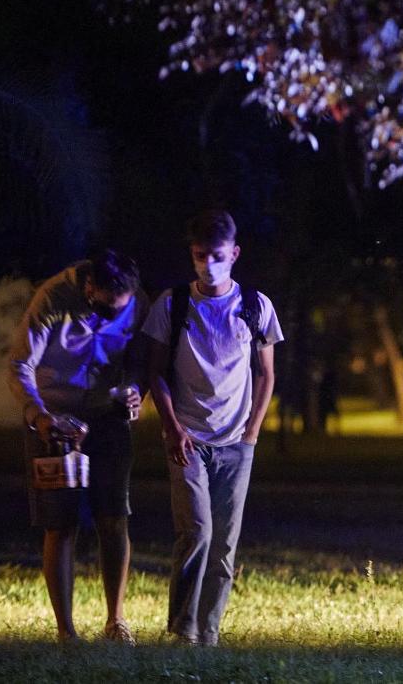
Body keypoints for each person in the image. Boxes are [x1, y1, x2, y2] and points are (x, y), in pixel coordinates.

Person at [143, 210, 284, 646]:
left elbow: (266, 373)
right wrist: (172, 427)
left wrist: (253, 430)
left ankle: (209, 632)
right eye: (201, 255)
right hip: (188, 438)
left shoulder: (255, 306)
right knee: (197, 532)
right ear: (192, 254)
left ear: (235, 254)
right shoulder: (173, 304)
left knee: (224, 543)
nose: (209, 263)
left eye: (217, 255)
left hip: (236, 442)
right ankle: (183, 630)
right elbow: (155, 373)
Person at [7, 249, 148, 644]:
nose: (111, 317)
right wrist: (40, 417)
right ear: (89, 288)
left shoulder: (137, 301)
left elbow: (140, 358)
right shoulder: (52, 298)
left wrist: (135, 390)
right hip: (57, 420)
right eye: (104, 309)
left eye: (118, 311)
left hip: (109, 416)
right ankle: (66, 629)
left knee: (114, 516)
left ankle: (116, 620)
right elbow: (20, 365)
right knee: (61, 523)